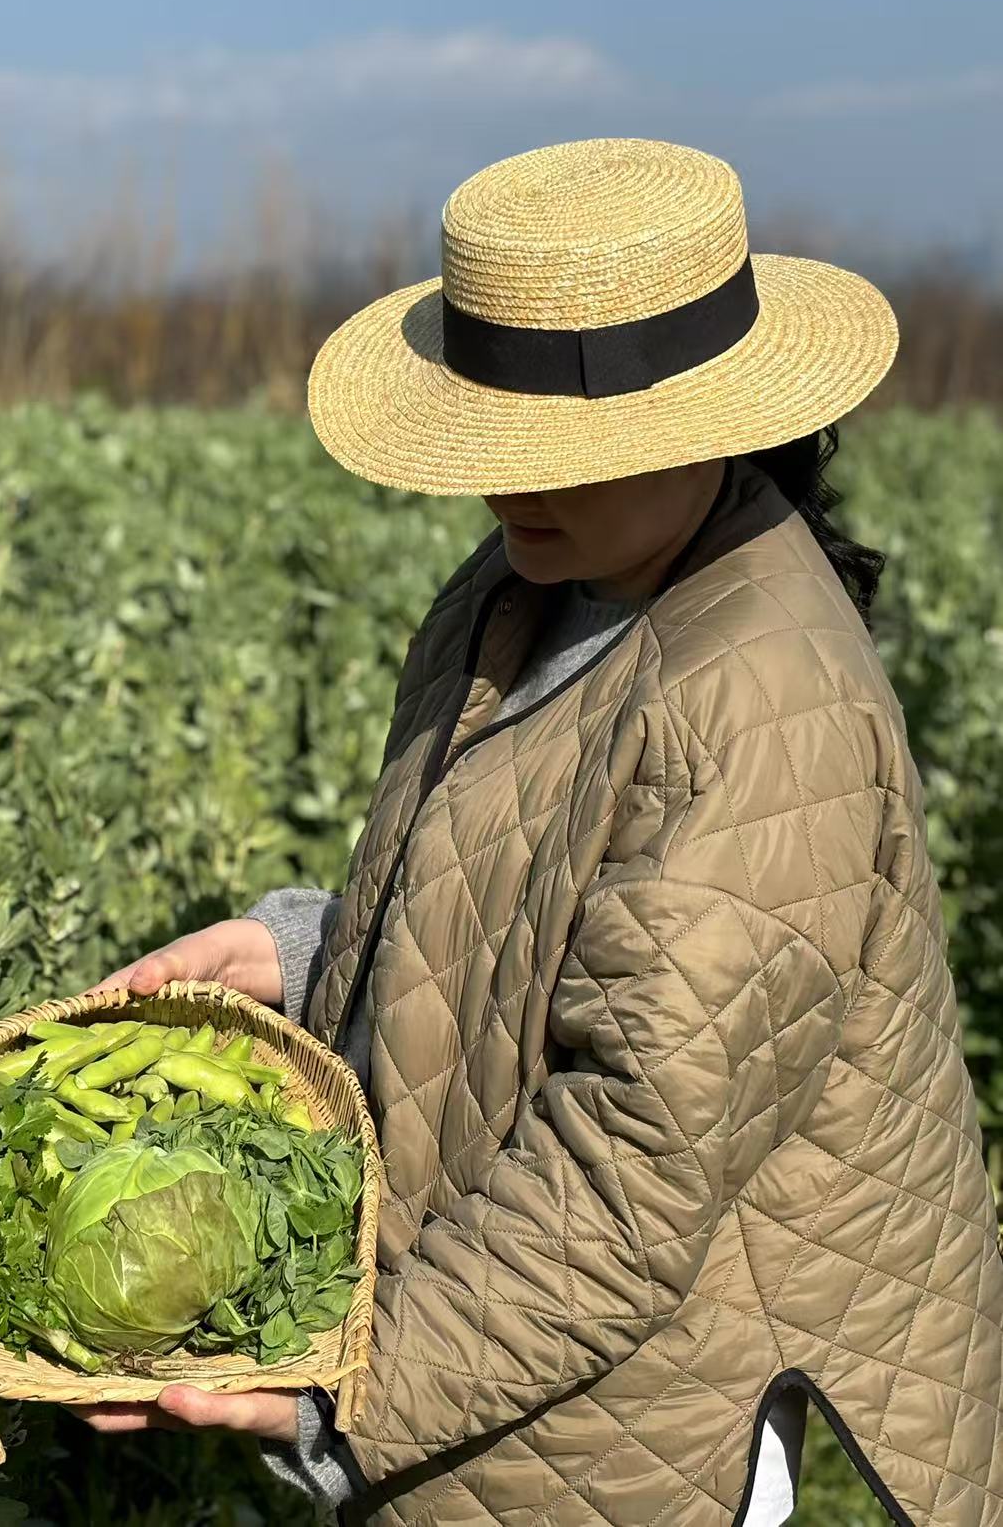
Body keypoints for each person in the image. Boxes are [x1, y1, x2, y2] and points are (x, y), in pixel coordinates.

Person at [78, 139, 1003, 1526]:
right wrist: (304, 950)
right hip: (509, 1356)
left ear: (713, 427)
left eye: (563, 448)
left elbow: (631, 1166)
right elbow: (530, 924)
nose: (514, 483)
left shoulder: (764, 702)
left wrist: (343, 1382)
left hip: (643, 1419)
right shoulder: (526, 583)